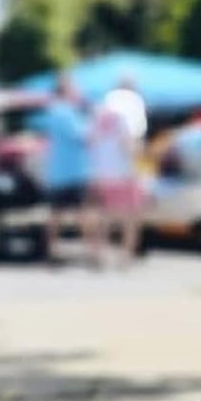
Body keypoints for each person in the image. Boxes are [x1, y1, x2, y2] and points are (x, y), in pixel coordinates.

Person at [86, 90, 146, 266]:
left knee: (104, 216)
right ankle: (125, 257)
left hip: (101, 174)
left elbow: (90, 144)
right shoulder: (122, 118)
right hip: (122, 174)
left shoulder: (95, 120)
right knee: (130, 217)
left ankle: (98, 254)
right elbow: (128, 146)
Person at [40, 74, 90, 263]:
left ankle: (51, 251)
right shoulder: (66, 112)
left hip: (57, 172)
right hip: (73, 171)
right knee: (83, 214)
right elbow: (82, 135)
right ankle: (92, 254)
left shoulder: (53, 111)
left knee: (55, 215)